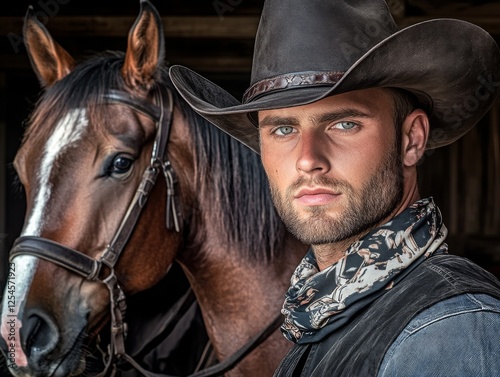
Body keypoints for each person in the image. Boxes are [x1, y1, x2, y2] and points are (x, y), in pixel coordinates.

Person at [169, 0, 500, 375]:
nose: (308, 159)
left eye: (344, 124)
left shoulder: (448, 328)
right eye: (283, 129)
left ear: (411, 139)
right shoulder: (320, 312)